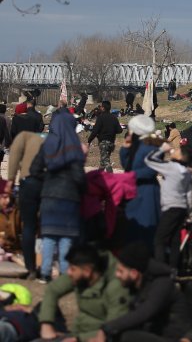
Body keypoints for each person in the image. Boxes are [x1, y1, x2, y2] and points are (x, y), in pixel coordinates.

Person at [29, 110, 87, 283]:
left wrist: (47, 179)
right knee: (66, 237)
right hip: (69, 197)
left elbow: (34, 170)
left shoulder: (47, 145)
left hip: (49, 195)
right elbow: (79, 176)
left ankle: (45, 273)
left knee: (49, 236)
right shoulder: (74, 147)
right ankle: (63, 273)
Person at [100, 242, 192, 341]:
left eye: (120, 271)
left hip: (175, 338)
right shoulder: (137, 286)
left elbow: (144, 312)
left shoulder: (162, 284)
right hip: (157, 336)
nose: (117, 275)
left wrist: (106, 328)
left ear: (134, 273)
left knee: (127, 337)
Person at [38, 245, 130, 341]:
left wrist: (79, 338)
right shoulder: (80, 272)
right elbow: (53, 289)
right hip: (78, 333)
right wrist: (46, 323)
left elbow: (114, 326)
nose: (68, 272)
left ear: (87, 271)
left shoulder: (116, 287)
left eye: (72, 269)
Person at [145, 146, 192, 270]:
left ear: (181, 157)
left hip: (170, 208)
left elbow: (149, 160)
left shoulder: (170, 167)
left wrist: (162, 149)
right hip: (182, 209)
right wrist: (189, 212)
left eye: (177, 151)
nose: (173, 151)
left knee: (159, 240)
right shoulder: (187, 172)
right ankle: (174, 268)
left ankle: (161, 269)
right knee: (175, 240)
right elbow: (190, 194)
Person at [119, 115, 161, 249]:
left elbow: (151, 170)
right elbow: (127, 165)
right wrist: (125, 149)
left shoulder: (152, 147)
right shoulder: (136, 145)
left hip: (147, 191)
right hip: (134, 191)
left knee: (146, 227)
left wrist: (131, 176)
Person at [7, 131, 44, 278]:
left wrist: (10, 179)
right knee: (43, 227)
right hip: (50, 184)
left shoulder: (24, 136)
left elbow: (14, 155)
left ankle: (31, 267)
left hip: (28, 182)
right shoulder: (55, 139)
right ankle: (44, 264)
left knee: (28, 225)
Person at [86, 101, 123, 173]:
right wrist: (112, 131)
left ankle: (111, 177)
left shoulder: (101, 117)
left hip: (103, 142)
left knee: (106, 161)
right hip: (111, 143)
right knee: (103, 161)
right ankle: (98, 176)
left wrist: (89, 140)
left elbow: (95, 131)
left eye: (101, 107)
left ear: (103, 108)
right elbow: (120, 130)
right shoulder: (114, 117)